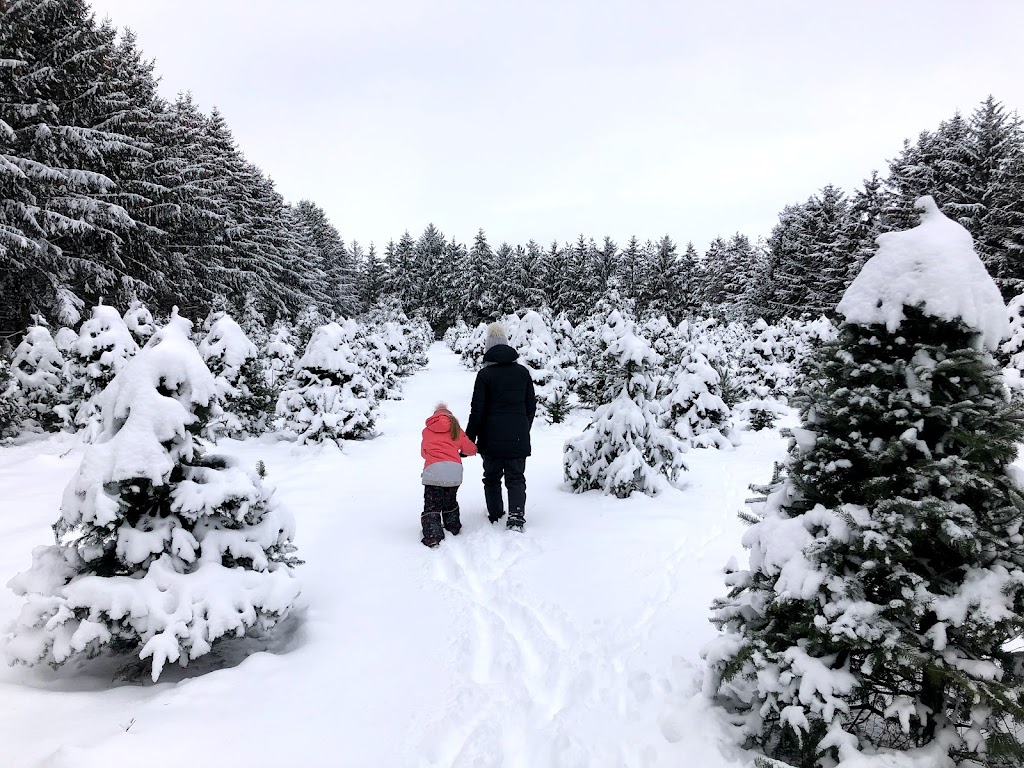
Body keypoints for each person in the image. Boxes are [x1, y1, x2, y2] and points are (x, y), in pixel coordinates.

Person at [465, 322, 537, 532]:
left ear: (488, 350)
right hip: (517, 436)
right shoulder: (523, 372)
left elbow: (476, 410)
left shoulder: (484, 375)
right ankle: (516, 516)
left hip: (490, 437)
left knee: (491, 477)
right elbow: (530, 406)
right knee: (516, 477)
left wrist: (469, 439)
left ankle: (496, 512)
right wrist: (524, 428)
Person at [420, 402, 478, 547]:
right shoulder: (455, 429)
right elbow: (470, 449)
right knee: (450, 500)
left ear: (435, 415)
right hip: (454, 471)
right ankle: (453, 527)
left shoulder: (427, 431)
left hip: (433, 471)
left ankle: (433, 536)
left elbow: (423, 453)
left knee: (432, 504)